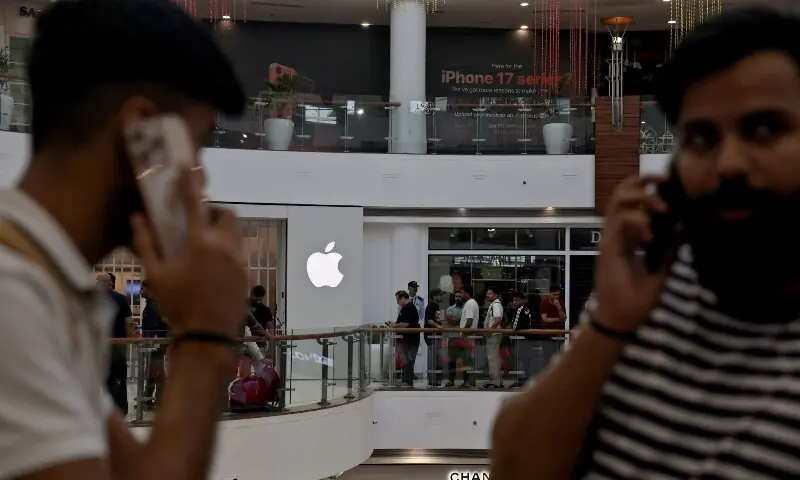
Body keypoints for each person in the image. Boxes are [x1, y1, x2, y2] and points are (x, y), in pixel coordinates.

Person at [491, 8, 800, 479]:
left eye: (765, 130)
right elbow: (514, 470)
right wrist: (611, 322)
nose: (730, 163)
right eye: (702, 138)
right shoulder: (653, 278)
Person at [0, 1, 248, 478]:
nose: (198, 184)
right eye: (193, 149)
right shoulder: (10, 295)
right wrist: (206, 334)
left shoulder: (44, 286)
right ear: (141, 134)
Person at [97, 273, 132, 414]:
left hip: (114, 346)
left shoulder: (111, 299)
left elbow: (128, 322)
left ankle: (116, 409)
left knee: (114, 377)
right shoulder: (100, 300)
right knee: (114, 378)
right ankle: (117, 409)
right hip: (111, 346)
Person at [141, 279, 168, 408]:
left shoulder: (154, 305)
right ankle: (148, 399)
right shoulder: (152, 304)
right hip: (152, 344)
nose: (140, 292)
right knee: (151, 372)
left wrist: (155, 340)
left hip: (155, 344)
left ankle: (160, 400)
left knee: (156, 372)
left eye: (143, 289)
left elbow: (156, 325)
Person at [388, 290, 420, 387]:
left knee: (408, 360)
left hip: (410, 339)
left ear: (403, 298)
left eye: (398, 299)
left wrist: (394, 326)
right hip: (405, 339)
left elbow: (405, 324)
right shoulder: (404, 308)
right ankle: (405, 380)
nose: (397, 302)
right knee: (405, 360)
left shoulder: (410, 308)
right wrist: (395, 325)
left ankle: (407, 381)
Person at [457, 286, 480, 388]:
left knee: (466, 359)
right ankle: (468, 381)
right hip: (468, 335)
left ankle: (468, 381)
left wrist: (463, 333)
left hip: (467, 336)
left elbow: (469, 321)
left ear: (467, 293)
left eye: (462, 292)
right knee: (466, 359)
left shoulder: (470, 303)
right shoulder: (470, 303)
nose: (460, 295)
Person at [482, 287, 504, 389]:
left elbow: (498, 318)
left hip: (494, 335)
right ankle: (496, 380)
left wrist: (491, 330)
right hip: (493, 334)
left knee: (493, 358)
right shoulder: (494, 305)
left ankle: (495, 381)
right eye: (487, 293)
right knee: (493, 358)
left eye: (490, 293)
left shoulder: (496, 305)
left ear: (495, 295)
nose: (488, 295)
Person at [443, 290, 464, 387]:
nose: (458, 298)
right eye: (456, 296)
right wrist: (462, 320)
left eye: (460, 296)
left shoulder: (466, 308)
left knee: (464, 360)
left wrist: (457, 320)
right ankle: (451, 380)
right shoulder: (450, 308)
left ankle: (466, 381)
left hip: (463, 337)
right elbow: (450, 320)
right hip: (452, 338)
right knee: (452, 361)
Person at [424, 288, 444, 387]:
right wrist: (438, 326)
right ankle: (433, 379)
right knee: (433, 357)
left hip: (436, 336)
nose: (441, 297)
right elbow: (429, 320)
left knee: (437, 357)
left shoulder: (437, 306)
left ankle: (436, 379)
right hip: (432, 335)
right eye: (440, 295)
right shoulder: (431, 306)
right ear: (435, 296)